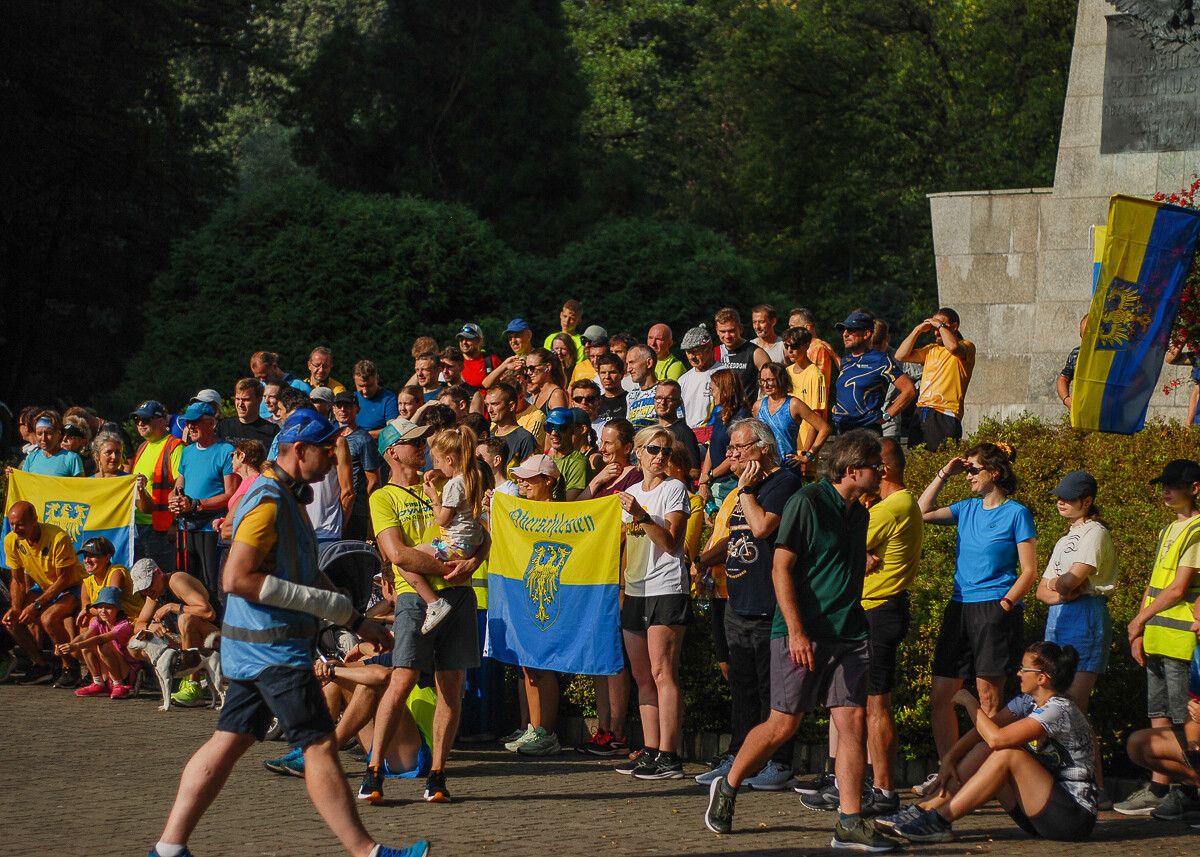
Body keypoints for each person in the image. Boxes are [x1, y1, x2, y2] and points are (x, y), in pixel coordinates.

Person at [147, 409, 426, 857]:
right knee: (318, 746)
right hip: (272, 651)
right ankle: (367, 852)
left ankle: (167, 849)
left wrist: (354, 620)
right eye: (328, 449)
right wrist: (336, 609)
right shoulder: (269, 500)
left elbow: (306, 571)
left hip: (260, 649)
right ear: (300, 451)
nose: (337, 460)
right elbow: (235, 578)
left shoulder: (287, 497)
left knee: (227, 742)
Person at [702, 429, 897, 853]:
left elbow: (832, 562)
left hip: (848, 633)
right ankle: (730, 784)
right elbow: (781, 568)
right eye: (874, 466)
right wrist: (794, 630)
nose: (882, 471)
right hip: (800, 632)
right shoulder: (807, 502)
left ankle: (849, 821)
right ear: (851, 470)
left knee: (852, 723)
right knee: (782, 725)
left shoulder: (860, 514)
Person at [360, 417, 486, 805]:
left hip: (460, 594)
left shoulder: (450, 484)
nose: (420, 446)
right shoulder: (382, 497)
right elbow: (397, 554)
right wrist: (452, 566)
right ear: (391, 452)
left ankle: (437, 775)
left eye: (422, 441)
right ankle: (373, 771)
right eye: (412, 442)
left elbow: (481, 531)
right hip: (416, 598)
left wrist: (474, 561)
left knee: (452, 688)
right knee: (402, 680)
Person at [887, 642, 1098, 844]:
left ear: (1042, 678)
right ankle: (923, 811)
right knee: (984, 748)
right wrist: (950, 758)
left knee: (1007, 754)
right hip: (1041, 813)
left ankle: (939, 821)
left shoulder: (1059, 709)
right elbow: (983, 736)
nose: (1019, 674)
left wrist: (971, 704)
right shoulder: (1028, 702)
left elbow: (997, 738)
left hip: (1072, 817)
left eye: (1023, 669)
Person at [916, 442, 1037, 793]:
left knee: (989, 701)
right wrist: (944, 473)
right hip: (960, 606)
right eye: (966, 469)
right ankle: (948, 772)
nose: (967, 475)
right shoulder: (966, 507)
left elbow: (1028, 571)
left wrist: (1005, 606)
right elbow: (920, 512)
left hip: (994, 610)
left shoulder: (1017, 513)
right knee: (941, 695)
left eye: (973, 470)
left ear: (994, 473)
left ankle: (984, 778)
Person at [694, 419, 802, 791]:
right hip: (737, 602)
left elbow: (761, 527)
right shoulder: (747, 490)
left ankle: (780, 762)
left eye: (739, 449)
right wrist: (704, 560)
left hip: (769, 605)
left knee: (775, 691)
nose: (731, 455)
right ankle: (740, 756)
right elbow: (738, 535)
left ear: (763, 449)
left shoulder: (782, 483)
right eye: (729, 449)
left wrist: (744, 491)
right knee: (742, 690)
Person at [1114, 458, 1200, 817]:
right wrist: (1141, 628)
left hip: (1181, 641)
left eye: (1174, 484)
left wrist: (1139, 620)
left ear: (1194, 489)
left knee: (1185, 721)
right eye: (1164, 483)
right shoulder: (1169, 530)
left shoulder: (1197, 530)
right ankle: (1160, 789)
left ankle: (1190, 794)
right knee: (1159, 714)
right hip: (1158, 637)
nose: (1166, 490)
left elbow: (1179, 588)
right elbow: (1155, 584)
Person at [1034, 469, 1116, 804]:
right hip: (1059, 618)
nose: (1061, 503)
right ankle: (1064, 782)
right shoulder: (1063, 539)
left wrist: (1061, 584)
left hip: (1086, 618)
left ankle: (1093, 787)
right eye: (1059, 497)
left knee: (1074, 708)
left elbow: (1070, 583)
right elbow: (1043, 591)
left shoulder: (1095, 532)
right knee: (1054, 704)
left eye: (1068, 498)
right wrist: (1061, 585)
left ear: (1088, 500)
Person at [615, 426, 691, 780]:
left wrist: (642, 516)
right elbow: (618, 547)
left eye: (666, 451)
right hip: (635, 590)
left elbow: (673, 542)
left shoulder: (673, 489)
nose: (660, 456)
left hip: (666, 588)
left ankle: (669, 755)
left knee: (663, 673)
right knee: (642, 675)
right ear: (639, 453)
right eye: (654, 450)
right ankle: (649, 750)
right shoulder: (627, 493)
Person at [858, 438, 922, 812]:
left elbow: (833, 544)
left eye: (863, 462)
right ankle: (874, 785)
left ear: (883, 468)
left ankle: (883, 791)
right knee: (869, 703)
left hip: (878, 610)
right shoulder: (896, 503)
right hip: (882, 608)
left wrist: (854, 547)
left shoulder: (891, 507)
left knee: (876, 703)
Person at [574, 419, 640, 757]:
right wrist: (597, 481)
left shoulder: (635, 479)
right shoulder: (602, 478)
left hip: (619, 575)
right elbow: (577, 515)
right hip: (595, 576)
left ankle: (617, 730)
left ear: (627, 447)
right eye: (601, 441)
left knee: (615, 655)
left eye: (610, 443)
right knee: (599, 654)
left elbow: (627, 526)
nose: (603, 448)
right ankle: (602, 727)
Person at [503, 454, 569, 757]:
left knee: (542, 665)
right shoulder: (521, 511)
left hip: (549, 594)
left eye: (529, 478)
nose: (522, 483)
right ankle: (533, 727)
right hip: (524, 594)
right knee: (528, 665)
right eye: (520, 477)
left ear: (548, 482)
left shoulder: (562, 514)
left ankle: (548, 732)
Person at [404, 426, 485, 636]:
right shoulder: (474, 475)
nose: (435, 466)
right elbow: (457, 471)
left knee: (405, 560)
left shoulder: (452, 486)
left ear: (449, 460)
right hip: (472, 544)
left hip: (455, 546)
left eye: (438, 461)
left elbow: (442, 518)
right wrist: (440, 472)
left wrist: (433, 496)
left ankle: (435, 603)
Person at [2, 501, 85, 687]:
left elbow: (64, 578)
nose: (16, 529)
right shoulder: (11, 540)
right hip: (46, 587)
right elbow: (17, 580)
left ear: (34, 521)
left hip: (73, 586)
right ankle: (40, 666)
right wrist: (16, 608)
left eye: (20, 524)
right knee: (13, 620)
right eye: (12, 524)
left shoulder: (57, 538)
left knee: (48, 618)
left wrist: (37, 605)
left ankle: (70, 668)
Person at [169, 402, 238, 611]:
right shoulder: (187, 452)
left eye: (195, 422)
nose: (191, 427)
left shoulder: (226, 450)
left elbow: (231, 494)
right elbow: (178, 485)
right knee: (188, 580)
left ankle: (217, 629)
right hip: (187, 527)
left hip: (212, 527)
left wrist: (197, 503)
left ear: (211, 423)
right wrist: (173, 499)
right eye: (188, 423)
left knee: (211, 583)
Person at [894, 307, 976, 452]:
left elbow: (953, 347)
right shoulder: (930, 349)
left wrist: (939, 325)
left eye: (941, 325)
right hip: (921, 411)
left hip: (944, 413)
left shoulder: (966, 347)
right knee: (918, 459)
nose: (936, 332)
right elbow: (900, 356)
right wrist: (917, 331)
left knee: (940, 461)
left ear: (954, 326)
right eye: (934, 327)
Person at [832, 311, 915, 436]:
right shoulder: (846, 361)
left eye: (851, 330)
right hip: (843, 432)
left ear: (866, 334)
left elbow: (909, 390)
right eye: (844, 330)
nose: (845, 334)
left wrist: (887, 416)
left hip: (867, 433)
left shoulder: (880, 359)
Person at [131, 400, 184, 575]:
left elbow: (180, 485)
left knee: (161, 579)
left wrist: (174, 523)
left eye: (145, 420)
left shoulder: (174, 446)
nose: (140, 423)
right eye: (138, 420)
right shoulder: (142, 447)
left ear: (161, 422)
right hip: (137, 525)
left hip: (160, 528)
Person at [58, 585, 140, 698]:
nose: (103, 611)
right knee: (86, 646)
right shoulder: (98, 621)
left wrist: (76, 646)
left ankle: (119, 685)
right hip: (108, 670)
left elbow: (101, 639)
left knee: (103, 646)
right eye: (100, 607)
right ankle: (99, 683)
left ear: (118, 608)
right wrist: (67, 646)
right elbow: (84, 636)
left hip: (126, 672)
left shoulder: (123, 626)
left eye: (108, 607)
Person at [753, 361, 829, 470]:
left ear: (781, 379)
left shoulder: (794, 404)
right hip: (763, 471)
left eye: (770, 380)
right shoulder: (758, 406)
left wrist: (808, 456)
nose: (765, 385)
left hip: (787, 470)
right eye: (762, 381)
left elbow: (824, 428)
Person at [698, 368, 752, 513]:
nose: (710, 393)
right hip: (715, 481)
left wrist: (710, 475)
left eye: (713, 389)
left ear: (725, 391)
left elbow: (737, 453)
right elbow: (712, 446)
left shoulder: (742, 416)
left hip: (730, 481)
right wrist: (705, 475)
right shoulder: (720, 415)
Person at [333, 391, 383, 542]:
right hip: (333, 507)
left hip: (356, 512)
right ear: (333, 409)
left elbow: (374, 481)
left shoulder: (364, 440)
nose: (342, 410)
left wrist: (371, 518)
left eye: (347, 406)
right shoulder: (330, 436)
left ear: (357, 409)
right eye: (339, 406)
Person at [678, 324, 723, 444]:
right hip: (689, 436)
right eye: (688, 352)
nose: (691, 357)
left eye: (696, 352)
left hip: (715, 434)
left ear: (709, 348)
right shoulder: (683, 380)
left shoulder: (724, 374)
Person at [714, 307, 770, 400]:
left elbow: (773, 383)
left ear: (740, 328)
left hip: (746, 412)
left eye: (731, 331)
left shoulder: (756, 353)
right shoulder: (714, 353)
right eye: (723, 331)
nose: (727, 336)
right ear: (717, 330)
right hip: (720, 412)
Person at [483, 382, 538, 473]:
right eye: (487, 405)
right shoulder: (490, 436)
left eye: (495, 404)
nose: (489, 410)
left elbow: (530, 477)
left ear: (511, 406)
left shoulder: (525, 439)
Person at [654, 380, 701, 480]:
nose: (662, 403)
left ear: (679, 403)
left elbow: (695, 471)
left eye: (668, 399)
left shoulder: (684, 433)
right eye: (658, 398)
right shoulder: (652, 431)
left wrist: (670, 474)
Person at [788, 307, 840, 390]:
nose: (790, 330)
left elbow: (819, 382)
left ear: (807, 327)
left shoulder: (819, 348)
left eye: (792, 326)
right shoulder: (796, 347)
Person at [217, 378, 280, 447]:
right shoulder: (223, 426)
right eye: (238, 399)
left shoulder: (271, 431)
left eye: (246, 400)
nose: (240, 404)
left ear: (259, 400)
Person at [18, 410, 83, 476]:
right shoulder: (31, 458)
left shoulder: (72, 458)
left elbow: (80, 485)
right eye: (39, 434)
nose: (43, 438)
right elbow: (23, 483)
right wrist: (12, 475)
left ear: (59, 434)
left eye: (49, 433)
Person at [354, 360, 400, 439]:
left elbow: (392, 429)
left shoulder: (389, 399)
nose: (365, 391)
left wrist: (363, 435)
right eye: (360, 386)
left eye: (369, 385)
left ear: (377, 379)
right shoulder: (352, 398)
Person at [1056, 315, 1089, 410]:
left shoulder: (1115, 355)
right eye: (1084, 337)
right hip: (1083, 414)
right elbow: (1062, 379)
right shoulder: (1076, 354)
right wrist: (1066, 399)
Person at [456, 323, 501, 389]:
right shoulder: (456, 362)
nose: (464, 342)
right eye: (461, 339)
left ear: (480, 341)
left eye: (468, 339)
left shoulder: (492, 360)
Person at [624, 344, 659, 430]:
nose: (628, 369)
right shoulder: (631, 396)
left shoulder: (667, 391)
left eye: (632, 362)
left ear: (649, 363)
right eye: (627, 364)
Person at [595, 353, 628, 424]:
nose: (607, 377)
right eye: (603, 373)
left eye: (612, 372)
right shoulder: (595, 403)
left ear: (621, 374)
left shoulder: (630, 400)